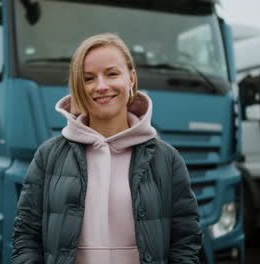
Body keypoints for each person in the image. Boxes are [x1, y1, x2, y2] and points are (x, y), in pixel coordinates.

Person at [12, 33, 202, 264]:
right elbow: (26, 236)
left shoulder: (167, 159)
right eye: (89, 78)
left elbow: (186, 241)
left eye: (112, 74)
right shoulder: (48, 156)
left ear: (131, 78)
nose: (101, 86)